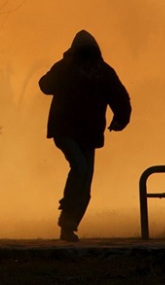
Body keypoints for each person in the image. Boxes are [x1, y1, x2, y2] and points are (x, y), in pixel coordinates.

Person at [38, 29, 131, 242]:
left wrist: (120, 119)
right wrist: (63, 64)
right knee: (80, 167)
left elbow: (120, 98)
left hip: (89, 133)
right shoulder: (66, 69)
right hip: (65, 130)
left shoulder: (104, 73)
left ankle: (69, 226)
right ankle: (67, 214)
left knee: (86, 184)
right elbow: (45, 86)